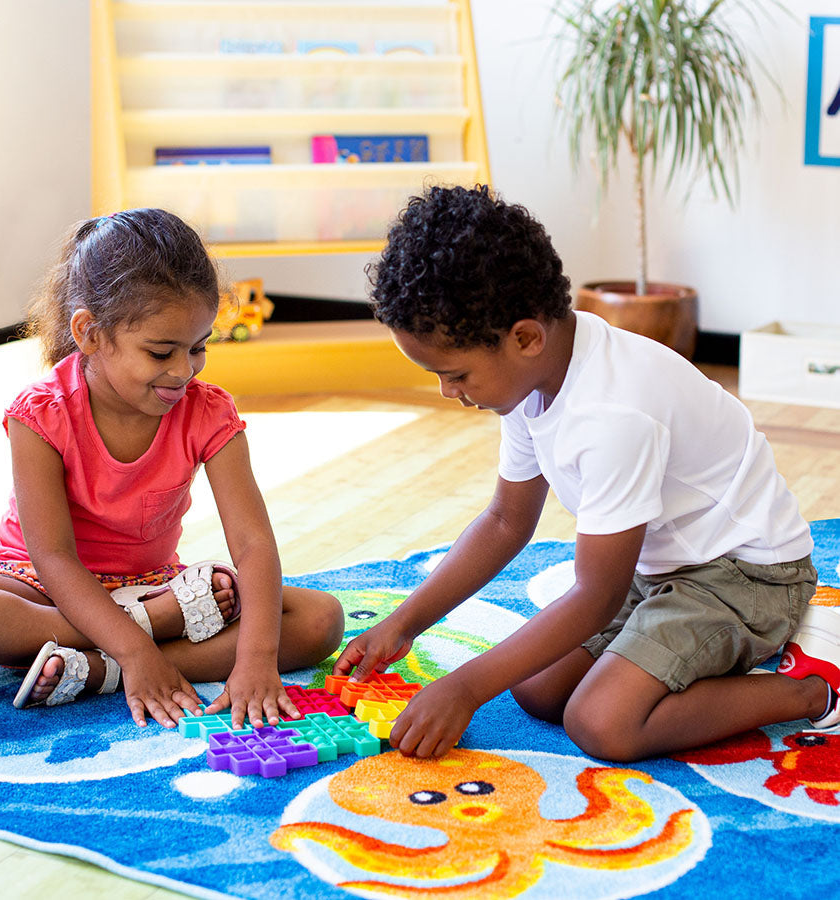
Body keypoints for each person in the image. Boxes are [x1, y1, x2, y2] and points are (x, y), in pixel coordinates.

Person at [333, 184, 829, 763]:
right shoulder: (533, 375)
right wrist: (403, 623)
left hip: (746, 576)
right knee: (537, 686)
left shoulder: (614, 414)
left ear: (524, 337)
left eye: (456, 374)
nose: (449, 393)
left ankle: (813, 689)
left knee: (603, 722)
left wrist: (465, 687)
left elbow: (596, 594)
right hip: (659, 563)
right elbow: (503, 521)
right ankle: (677, 663)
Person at [0, 208, 344, 730]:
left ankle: (94, 670)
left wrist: (256, 659)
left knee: (320, 620)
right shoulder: (40, 414)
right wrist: (140, 644)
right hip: (44, 587)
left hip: (155, 583)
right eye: (160, 352)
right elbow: (55, 559)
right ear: (89, 333)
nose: (183, 370)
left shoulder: (207, 412)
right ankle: (144, 637)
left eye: (198, 348)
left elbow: (253, 545)